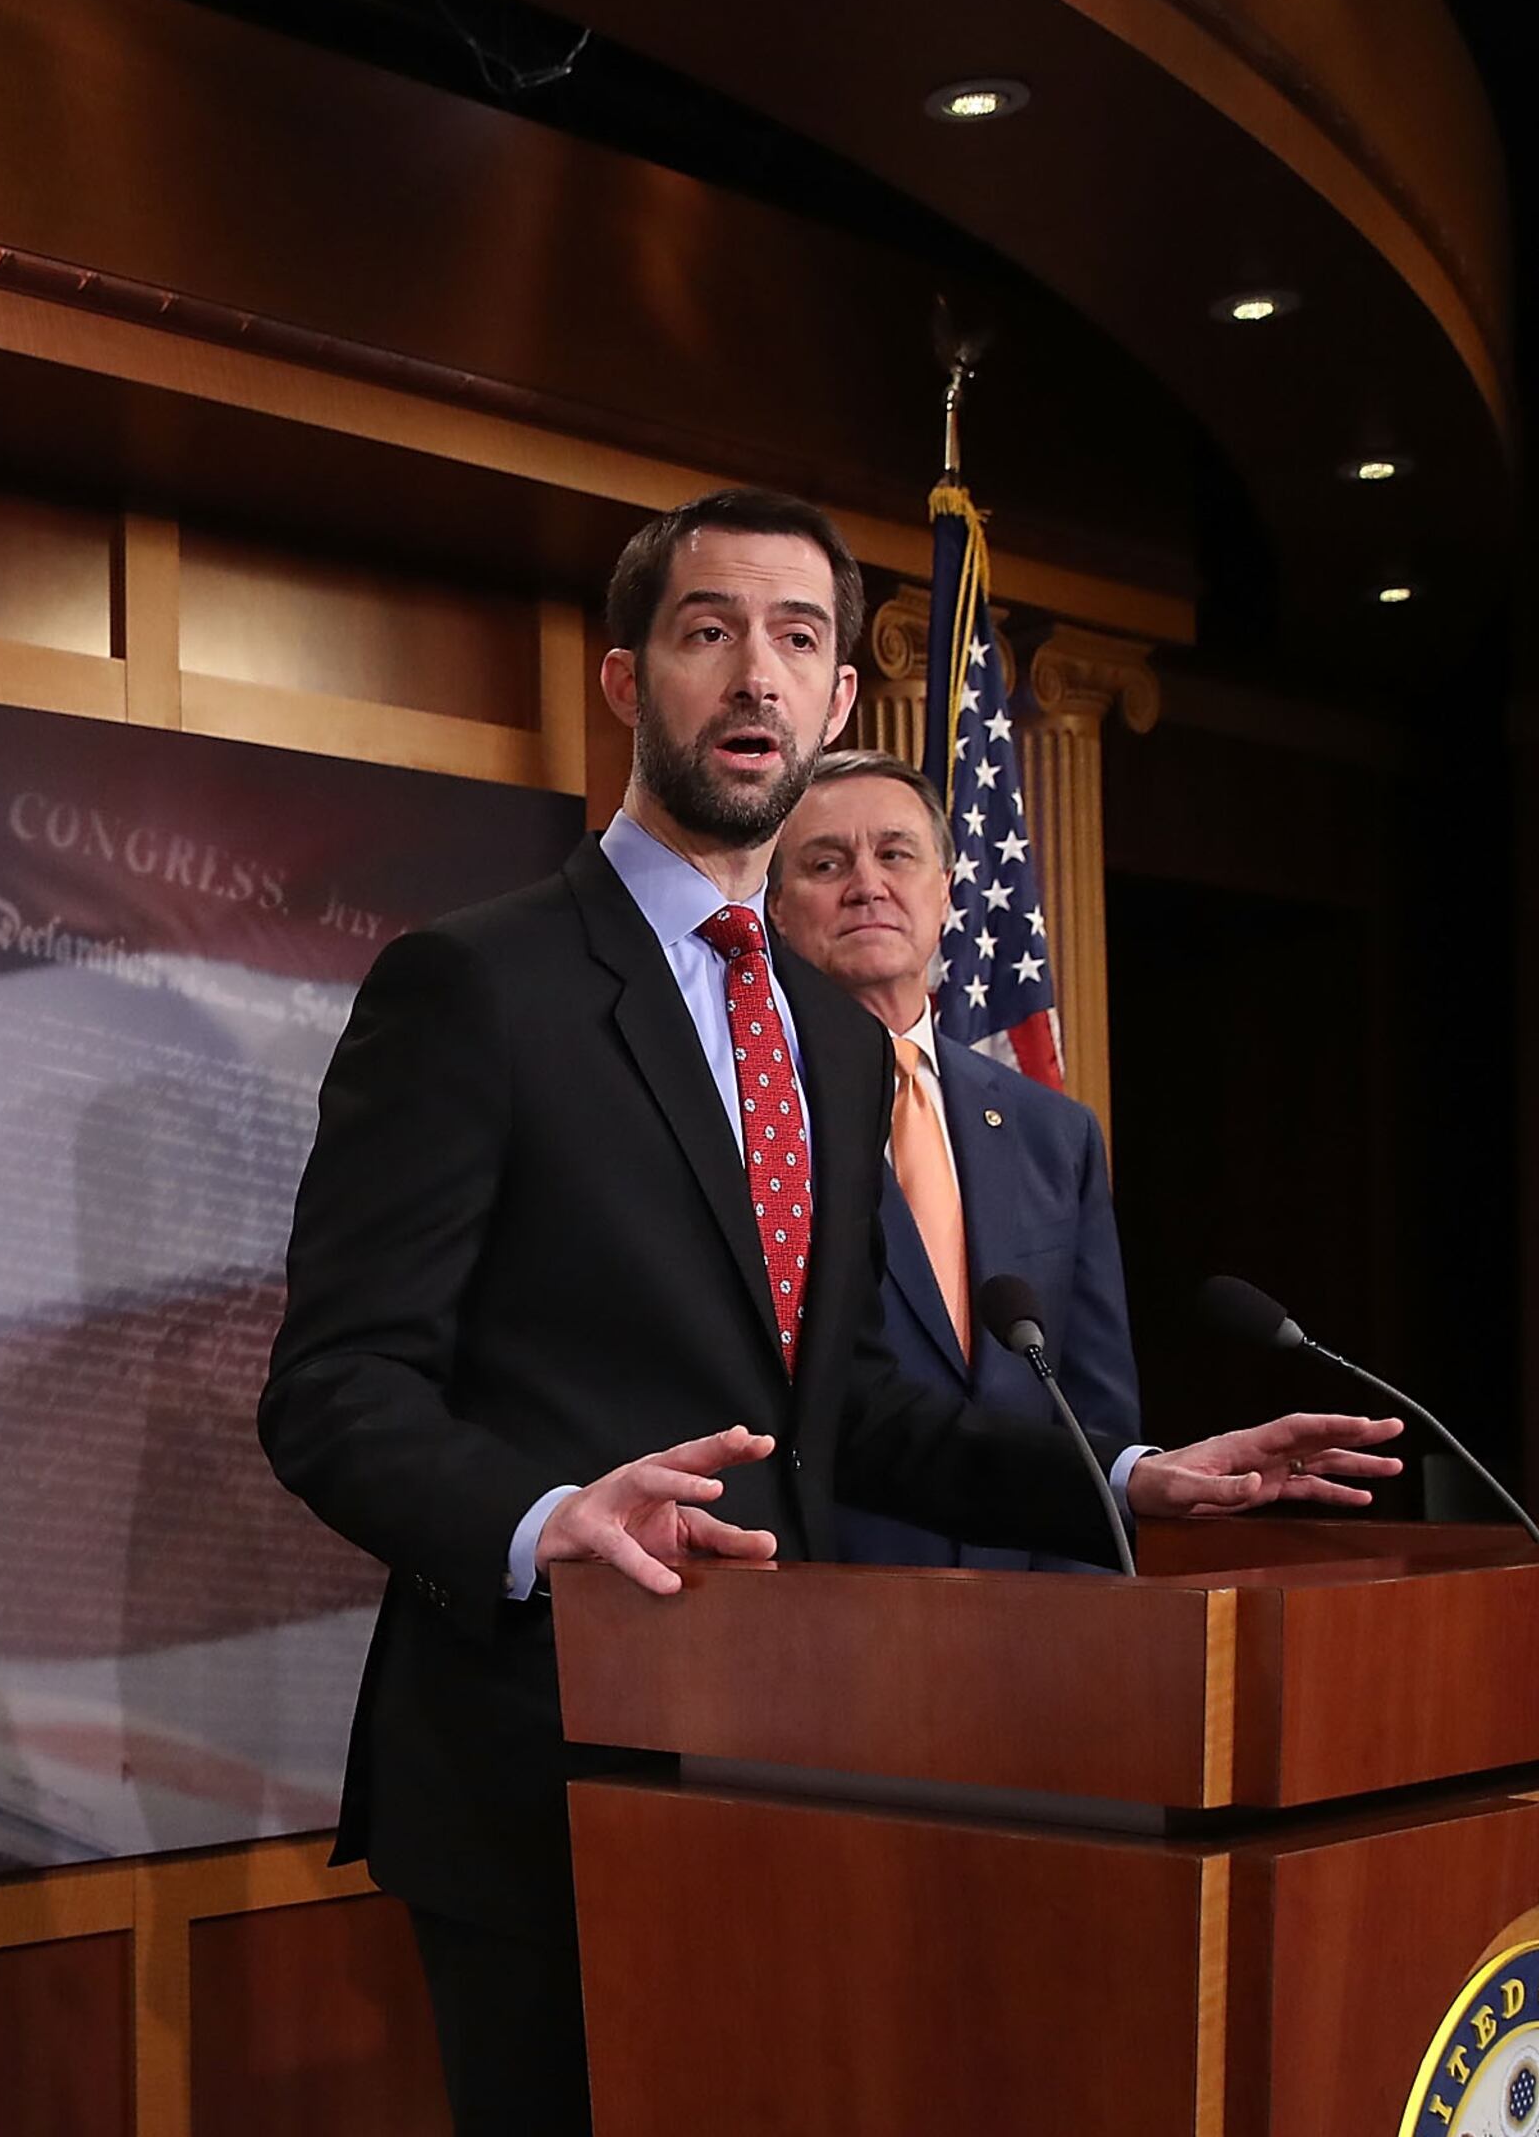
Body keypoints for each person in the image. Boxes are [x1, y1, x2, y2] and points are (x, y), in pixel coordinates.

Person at [253, 486, 1400, 2133]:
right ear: (625, 676)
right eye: (710, 631)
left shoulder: (840, 1040)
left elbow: (849, 1409)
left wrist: (1130, 1476)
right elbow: (335, 1388)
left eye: (797, 639)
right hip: (548, 1769)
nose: (755, 676)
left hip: (802, 1765)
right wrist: (549, 1516)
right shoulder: (476, 986)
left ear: (842, 702)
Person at [768, 748, 1135, 1570]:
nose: (868, 883)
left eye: (896, 854)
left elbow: (1094, 1410)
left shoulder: (1055, 1134)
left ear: (946, 893)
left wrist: (1088, 1614)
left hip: (1031, 1618)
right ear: (778, 909)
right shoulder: (755, 1117)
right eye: (827, 863)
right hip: (824, 1606)